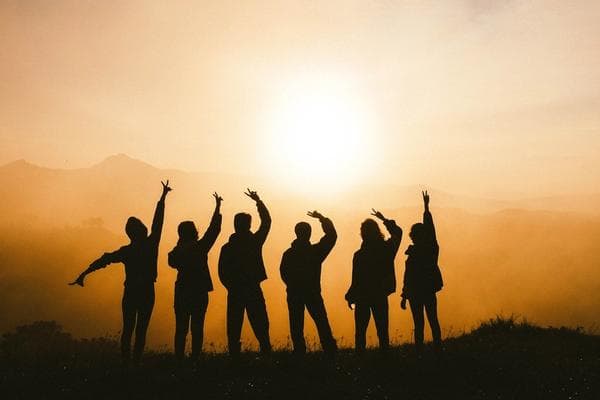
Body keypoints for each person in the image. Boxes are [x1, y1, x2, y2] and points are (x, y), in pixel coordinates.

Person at [69, 180, 172, 366]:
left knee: (128, 329)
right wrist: (162, 198)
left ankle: (126, 364)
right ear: (142, 230)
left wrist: (84, 273)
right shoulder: (151, 245)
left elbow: (104, 259)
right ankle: (136, 363)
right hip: (147, 292)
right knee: (141, 330)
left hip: (131, 292)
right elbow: (158, 222)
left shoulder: (126, 251)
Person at [168, 192, 222, 362]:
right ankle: (195, 357)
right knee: (197, 327)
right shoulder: (200, 247)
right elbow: (214, 230)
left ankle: (179, 358)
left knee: (181, 328)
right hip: (199, 291)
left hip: (182, 290)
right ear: (195, 232)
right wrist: (218, 208)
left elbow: (172, 262)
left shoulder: (176, 252)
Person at [218, 189, 272, 356]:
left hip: (235, 290)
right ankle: (266, 351)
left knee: (234, 325)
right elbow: (267, 222)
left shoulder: (228, 247)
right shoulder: (254, 242)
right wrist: (259, 201)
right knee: (260, 323)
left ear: (235, 225)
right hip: (252, 287)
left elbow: (222, 272)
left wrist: (230, 286)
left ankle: (234, 355)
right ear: (248, 225)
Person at [280, 210, 338, 356]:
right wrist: (322, 219)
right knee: (322, 323)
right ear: (309, 234)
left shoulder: (289, 254)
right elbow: (332, 236)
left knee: (296, 325)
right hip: (312, 293)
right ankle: (330, 351)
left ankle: (299, 353)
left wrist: (292, 285)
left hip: (294, 293)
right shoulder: (315, 252)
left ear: (296, 233)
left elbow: (283, 273)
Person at [345, 209, 402, 353]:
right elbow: (398, 233)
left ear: (363, 234)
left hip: (362, 296)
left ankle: (360, 360)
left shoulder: (359, 255)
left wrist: (350, 295)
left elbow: (356, 279)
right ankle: (385, 358)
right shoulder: (386, 249)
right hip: (380, 294)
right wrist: (385, 220)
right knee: (382, 331)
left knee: (360, 332)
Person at [400, 191, 443, 354]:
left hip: (415, 293)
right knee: (432, 320)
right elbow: (431, 231)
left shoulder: (421, 251)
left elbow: (408, 277)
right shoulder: (431, 249)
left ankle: (420, 353)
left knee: (420, 324)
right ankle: (437, 350)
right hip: (427, 290)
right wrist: (426, 208)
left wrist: (405, 295)